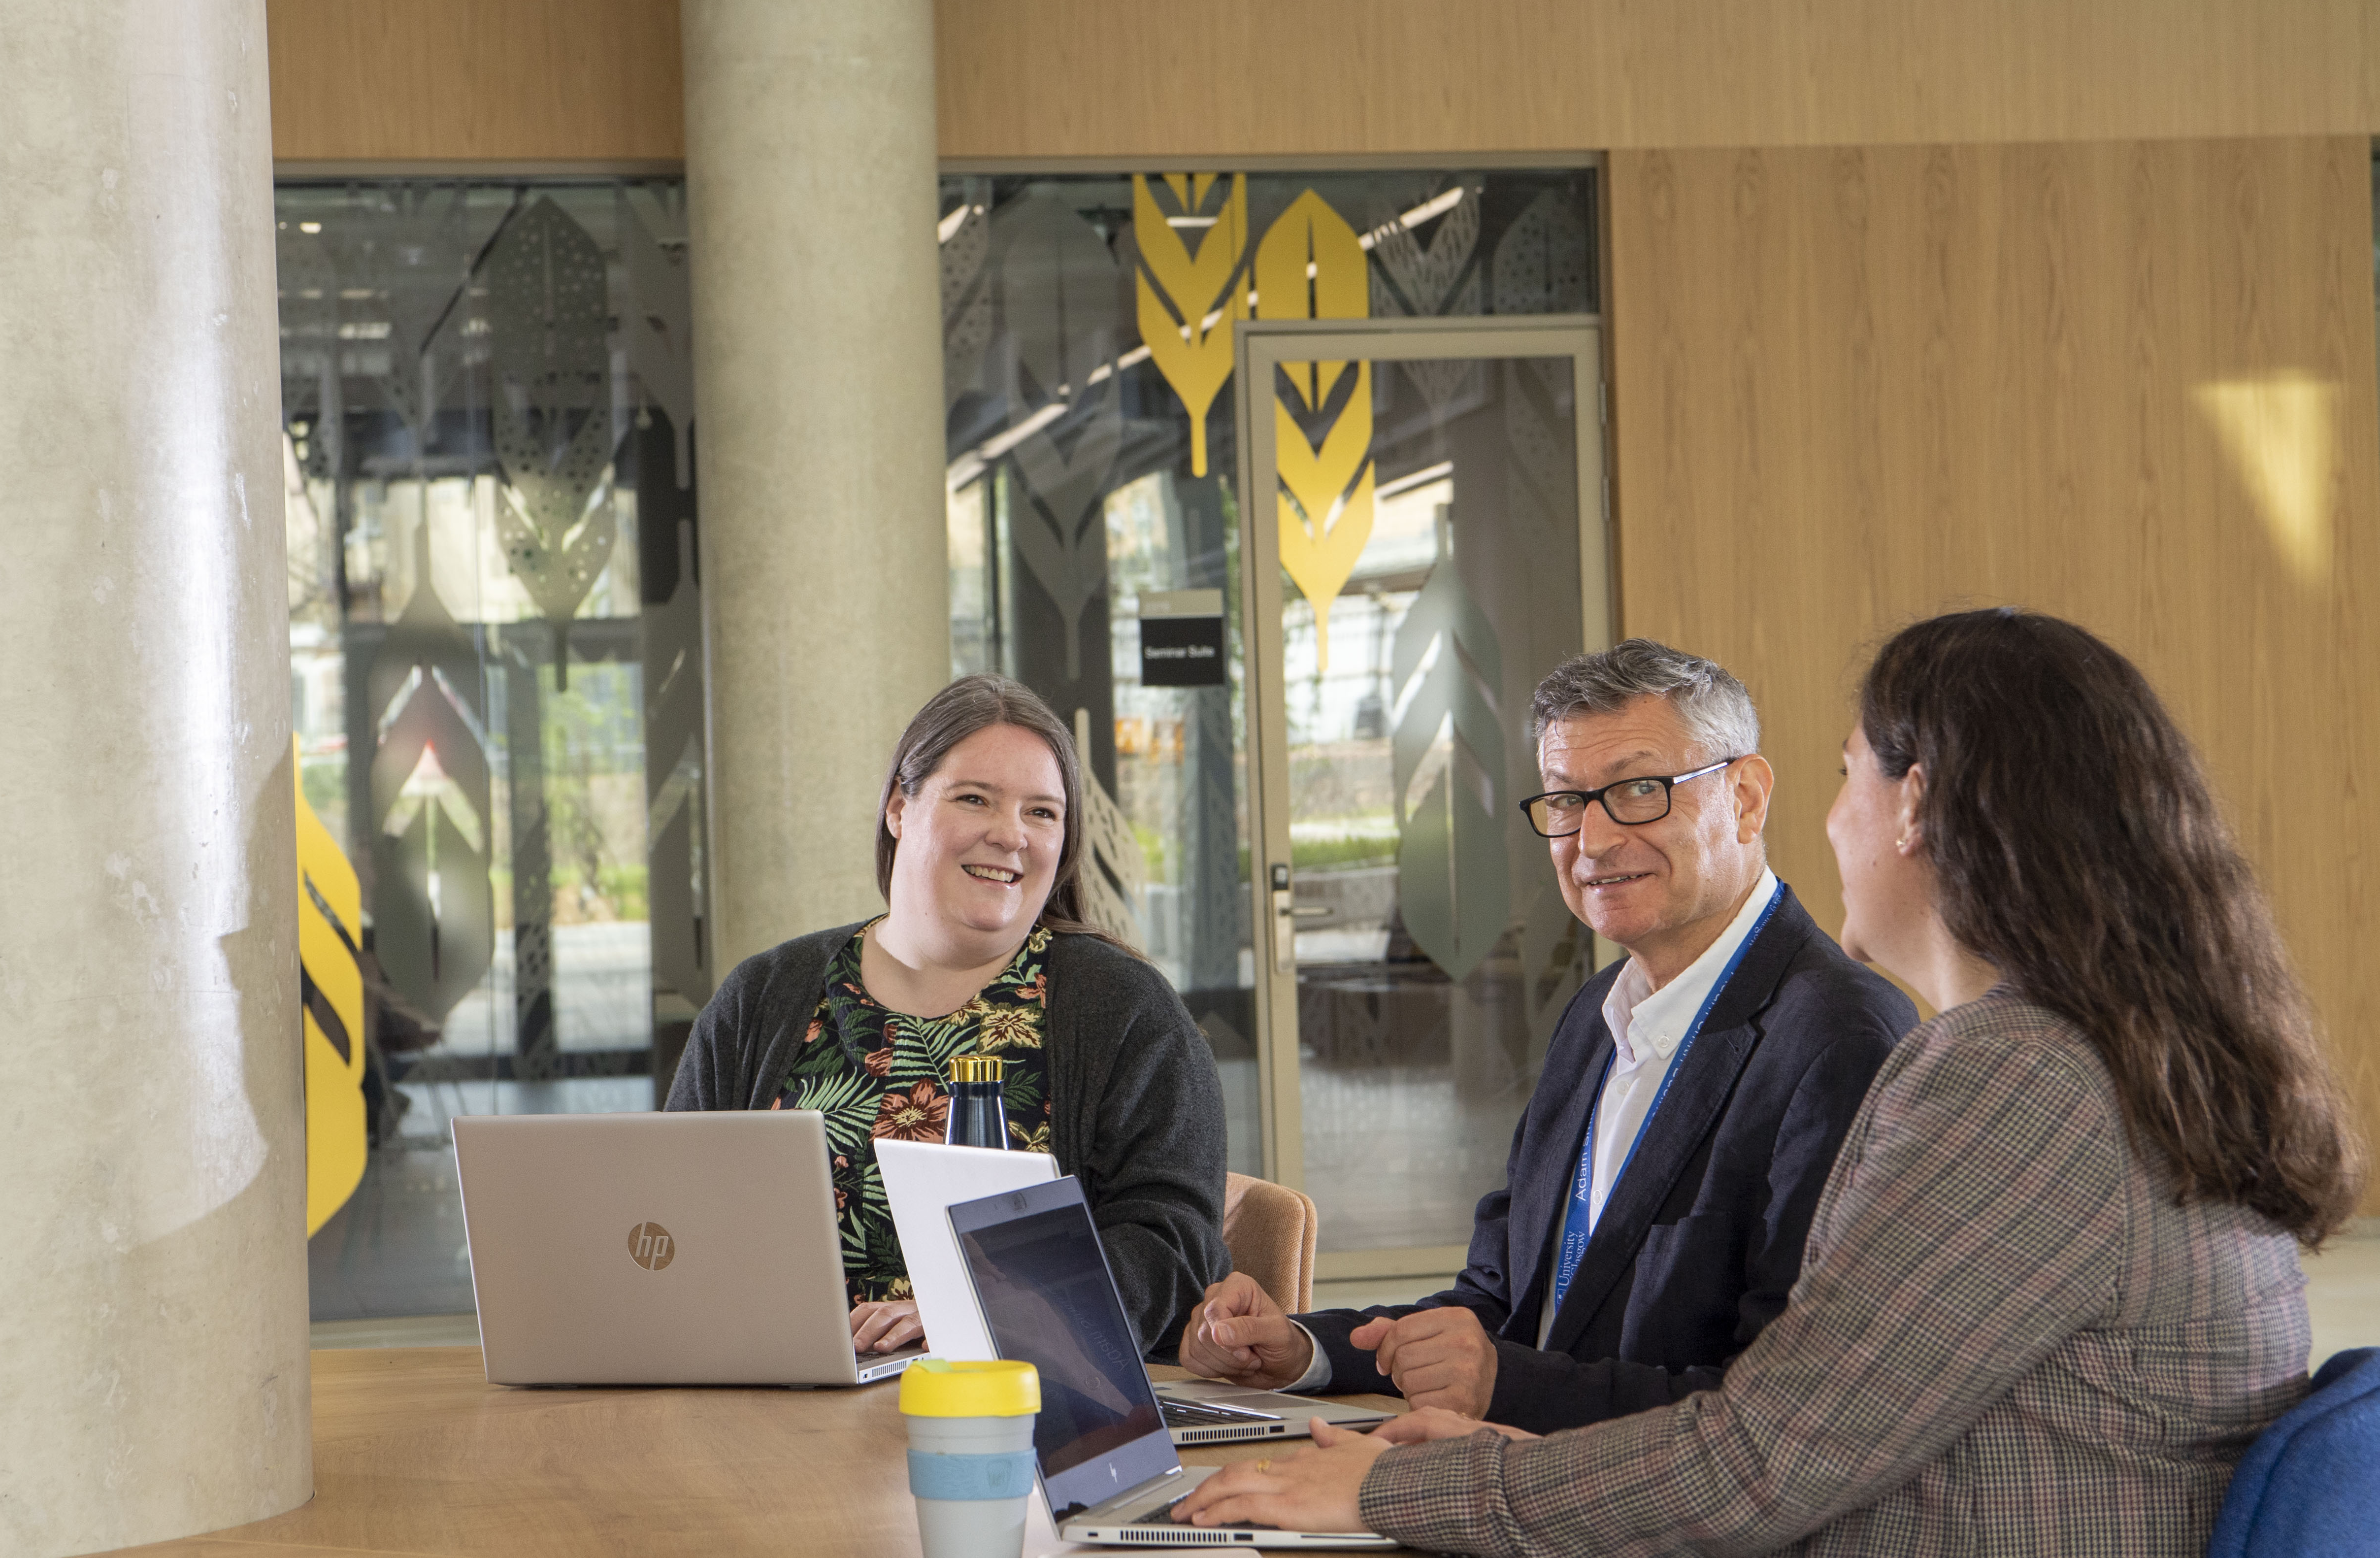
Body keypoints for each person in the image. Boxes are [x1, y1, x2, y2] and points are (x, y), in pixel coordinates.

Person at [1178, 609, 2367, 1553]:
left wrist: (1410, 1486)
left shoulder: (2016, 1079)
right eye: (1566, 804)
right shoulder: (2084, 1052)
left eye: (1849, 773)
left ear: (1916, 804)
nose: (1833, 817)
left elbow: (1762, 1457)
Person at [1180, 640, 1917, 1432]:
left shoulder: (1842, 1038)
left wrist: (1505, 1385)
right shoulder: (1597, 1015)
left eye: (1639, 789)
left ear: (1744, 796)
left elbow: (1784, 1410)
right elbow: (1499, 1300)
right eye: (1567, 800)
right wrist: (1302, 1349)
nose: (1593, 841)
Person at [665, 674, 1230, 1361]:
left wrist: (977, 1311)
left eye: (1042, 813)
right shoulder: (763, 996)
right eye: (974, 799)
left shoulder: (1126, 1010)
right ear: (899, 807)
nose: (1010, 834)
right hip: (777, 1390)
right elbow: (676, 1213)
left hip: (1015, 1398)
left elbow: (1172, 1244)